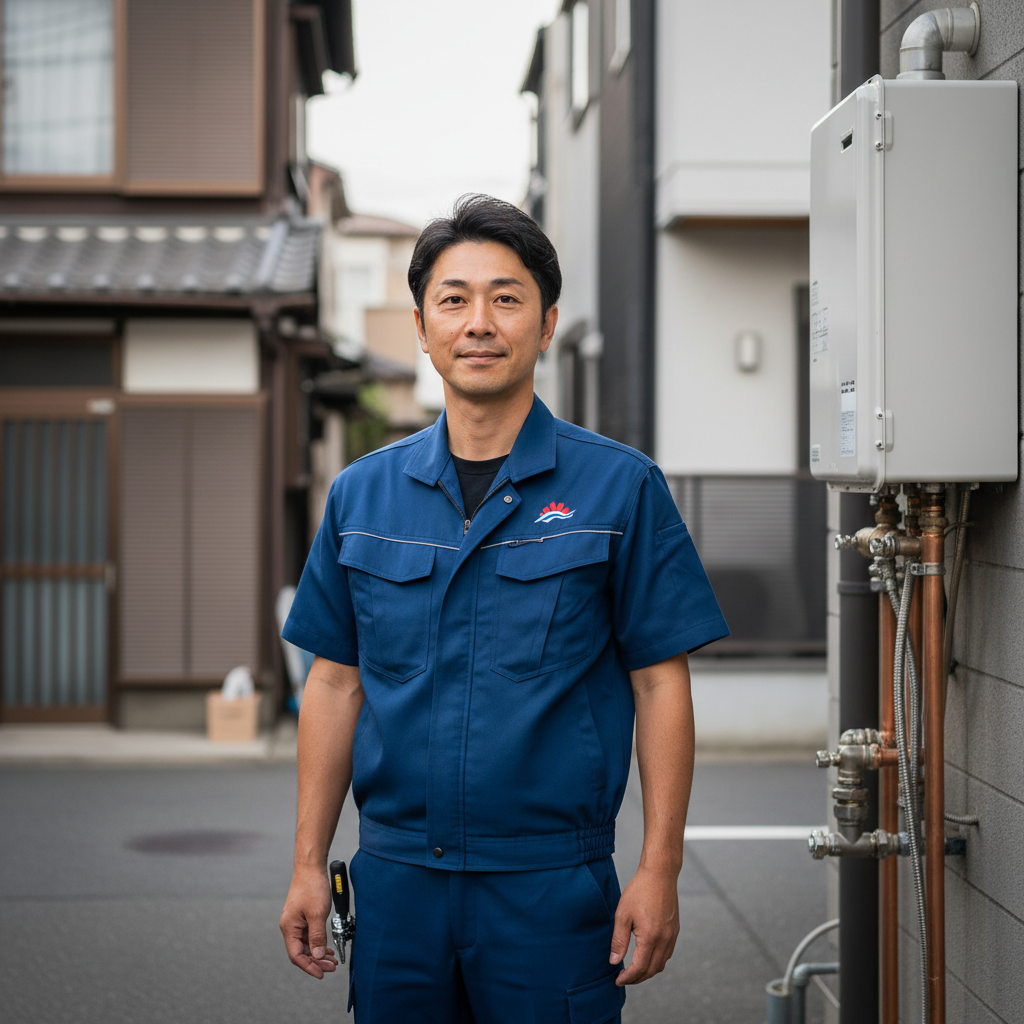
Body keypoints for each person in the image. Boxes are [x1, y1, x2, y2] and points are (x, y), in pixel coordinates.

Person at [279, 194, 728, 1023]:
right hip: (396, 884)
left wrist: (659, 868)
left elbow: (661, 683)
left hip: (549, 887)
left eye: (506, 297)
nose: (478, 322)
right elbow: (335, 685)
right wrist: (310, 861)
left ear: (547, 322)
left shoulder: (619, 487)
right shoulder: (362, 495)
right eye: (454, 299)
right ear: (421, 326)